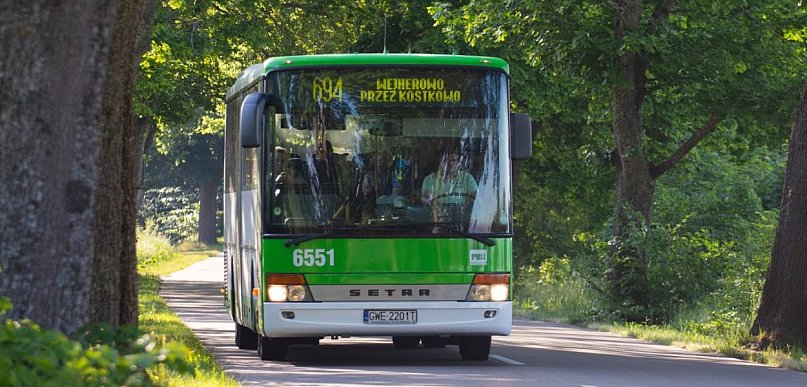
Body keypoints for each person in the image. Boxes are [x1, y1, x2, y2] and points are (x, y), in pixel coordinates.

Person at [420, 148, 478, 224]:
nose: (450, 164)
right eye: (446, 161)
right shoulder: (430, 179)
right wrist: (429, 199)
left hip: (462, 223)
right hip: (438, 221)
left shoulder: (467, 178)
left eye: (454, 160)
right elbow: (426, 199)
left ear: (458, 162)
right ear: (440, 161)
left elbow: (475, 200)